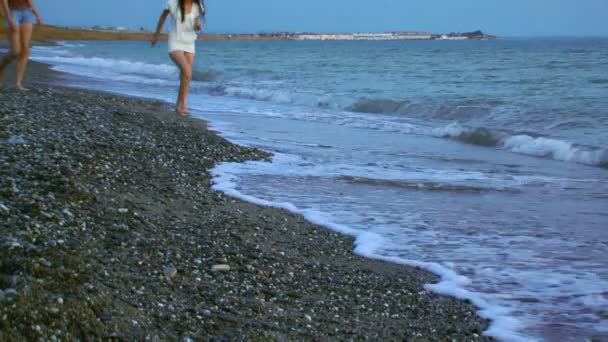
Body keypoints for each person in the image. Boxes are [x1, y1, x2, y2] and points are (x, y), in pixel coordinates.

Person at [151, 0, 205, 116]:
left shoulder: (198, 5)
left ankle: (181, 103)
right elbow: (163, 17)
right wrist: (156, 35)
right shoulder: (172, 3)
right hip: (175, 41)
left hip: (190, 42)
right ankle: (180, 105)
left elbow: (195, 23)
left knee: (185, 75)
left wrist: (197, 26)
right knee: (187, 71)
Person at [0, 0, 42, 91]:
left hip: (27, 13)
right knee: (15, 51)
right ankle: (1, 66)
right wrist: (10, 20)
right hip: (12, 13)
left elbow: (30, 1)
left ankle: (18, 83)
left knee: (26, 50)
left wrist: (37, 14)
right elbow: (4, 3)